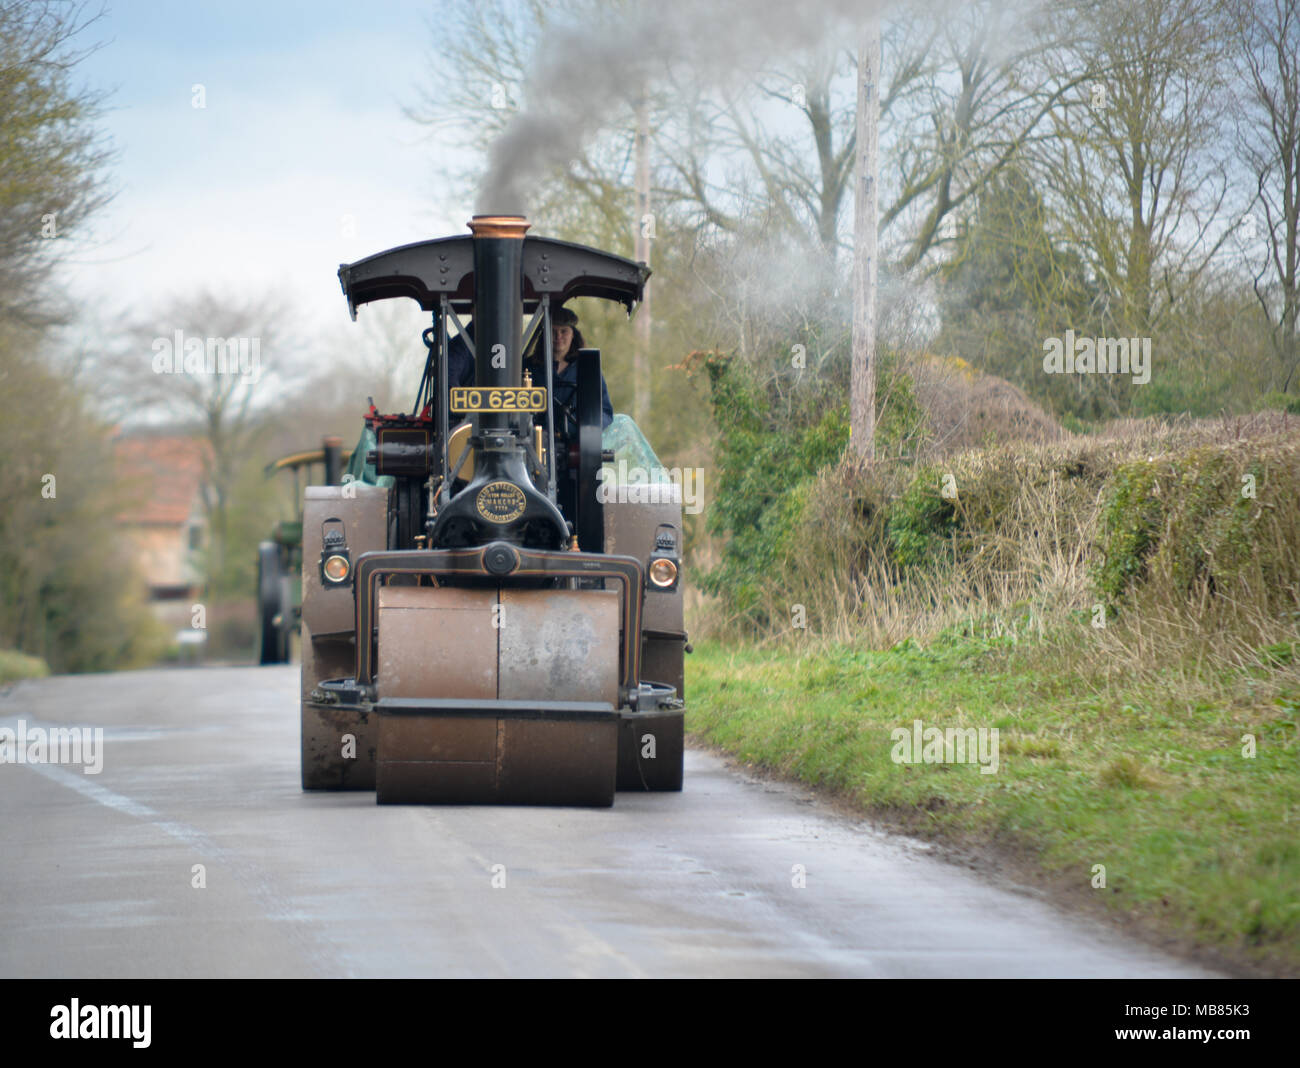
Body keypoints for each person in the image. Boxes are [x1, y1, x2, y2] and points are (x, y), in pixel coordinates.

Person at [524, 304, 613, 439]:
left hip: (576, 447)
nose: (558, 336)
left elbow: (605, 412)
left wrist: (585, 428)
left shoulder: (588, 369)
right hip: (535, 442)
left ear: (573, 335)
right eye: (553, 331)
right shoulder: (527, 368)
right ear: (544, 336)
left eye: (564, 331)